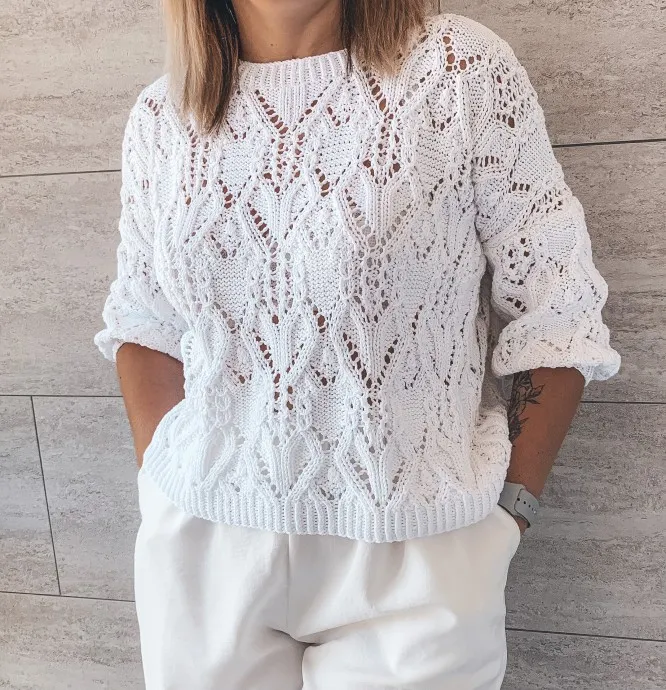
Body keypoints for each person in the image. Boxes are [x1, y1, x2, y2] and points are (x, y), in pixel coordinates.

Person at [94, 1, 621, 688]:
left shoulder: (458, 72)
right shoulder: (163, 118)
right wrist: (162, 485)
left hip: (415, 555)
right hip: (202, 548)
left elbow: (557, 308)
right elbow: (145, 324)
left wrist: (507, 517)